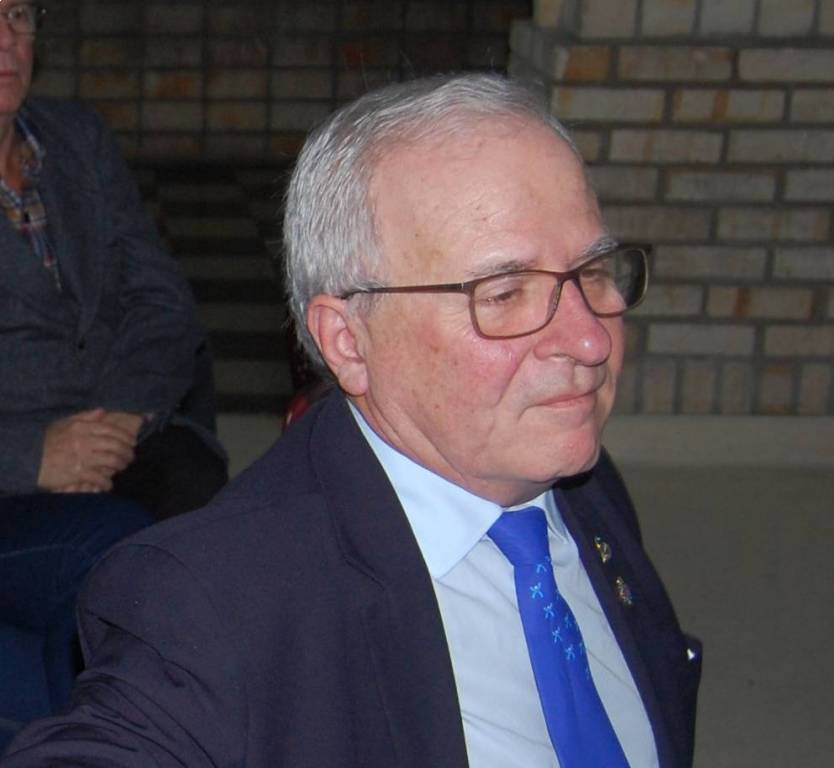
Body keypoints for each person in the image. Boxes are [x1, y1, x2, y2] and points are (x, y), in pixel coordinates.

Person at [1, 74, 701, 767]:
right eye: (505, 294)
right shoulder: (212, 605)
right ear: (348, 341)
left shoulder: (580, 481)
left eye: (594, 272)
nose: (591, 341)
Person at [0, 1, 227, 519]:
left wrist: (123, 420)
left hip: (116, 423)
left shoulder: (77, 138)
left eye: (17, 16)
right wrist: (31, 458)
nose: (6, 40)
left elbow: (162, 299)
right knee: (106, 538)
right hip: (15, 461)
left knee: (203, 498)